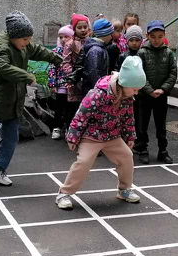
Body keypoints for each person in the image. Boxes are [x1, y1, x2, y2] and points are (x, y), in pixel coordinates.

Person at [0, 11, 62, 191]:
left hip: (16, 100)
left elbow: (37, 50)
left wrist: (57, 59)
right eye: (25, 39)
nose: (27, 42)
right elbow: (2, 67)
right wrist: (27, 76)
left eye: (29, 39)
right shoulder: (3, 47)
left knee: (11, 139)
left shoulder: (22, 43)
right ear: (15, 36)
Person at [56, 56, 147, 210]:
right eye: (135, 89)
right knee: (84, 162)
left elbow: (128, 117)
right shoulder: (98, 94)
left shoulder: (127, 97)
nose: (136, 93)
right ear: (124, 83)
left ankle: (124, 189)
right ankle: (64, 193)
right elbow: (82, 114)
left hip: (112, 135)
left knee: (126, 156)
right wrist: (72, 137)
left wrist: (130, 136)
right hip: (92, 135)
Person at [135, 20, 177, 165]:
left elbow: (173, 73)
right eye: (153, 36)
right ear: (147, 36)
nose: (156, 40)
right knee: (143, 124)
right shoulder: (142, 53)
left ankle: (163, 151)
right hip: (145, 96)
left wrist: (163, 89)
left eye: (160, 36)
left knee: (161, 124)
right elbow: (139, 74)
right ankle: (143, 149)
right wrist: (149, 90)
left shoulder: (168, 53)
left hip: (161, 96)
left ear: (164, 35)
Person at [117, 25, 144, 139]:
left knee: (139, 116)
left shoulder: (143, 55)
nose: (134, 43)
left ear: (141, 41)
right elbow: (118, 73)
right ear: (127, 41)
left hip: (140, 93)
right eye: (131, 40)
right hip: (126, 92)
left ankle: (137, 138)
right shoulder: (123, 56)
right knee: (125, 115)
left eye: (137, 40)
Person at [48, 25, 74, 140]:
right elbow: (51, 68)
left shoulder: (74, 51)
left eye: (66, 37)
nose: (63, 39)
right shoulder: (56, 52)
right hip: (60, 85)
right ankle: (57, 127)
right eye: (61, 37)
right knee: (59, 107)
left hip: (72, 85)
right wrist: (52, 84)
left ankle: (69, 128)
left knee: (70, 108)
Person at [62, 13, 90, 120]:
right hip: (74, 82)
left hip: (88, 80)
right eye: (79, 27)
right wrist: (73, 76)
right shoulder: (70, 44)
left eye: (85, 27)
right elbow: (66, 63)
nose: (83, 30)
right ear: (74, 28)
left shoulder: (91, 42)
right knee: (74, 109)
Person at [80, 18, 114, 94]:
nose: (111, 37)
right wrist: (100, 89)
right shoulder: (96, 50)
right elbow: (93, 72)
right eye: (110, 34)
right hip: (94, 92)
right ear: (105, 34)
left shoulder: (100, 48)